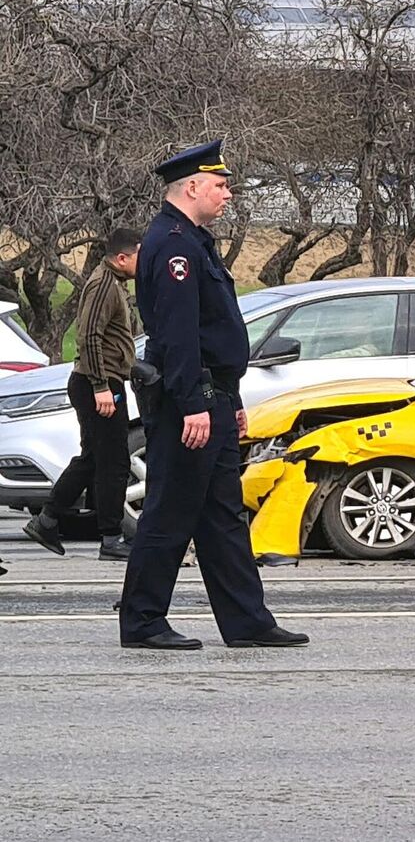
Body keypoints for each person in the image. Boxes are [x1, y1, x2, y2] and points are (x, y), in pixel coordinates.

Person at [118, 141, 308, 651]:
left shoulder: (195, 240)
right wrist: (194, 403)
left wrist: (232, 398)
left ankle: (247, 622)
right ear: (192, 187)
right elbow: (178, 335)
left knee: (223, 516)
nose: (227, 194)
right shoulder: (175, 245)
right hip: (191, 399)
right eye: (220, 185)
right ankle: (142, 621)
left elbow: (214, 333)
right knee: (170, 512)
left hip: (214, 394)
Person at [23, 229, 143, 560]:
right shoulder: (104, 284)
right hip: (96, 382)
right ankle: (110, 537)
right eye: (139, 257)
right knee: (114, 461)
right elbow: (89, 335)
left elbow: (114, 339)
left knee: (94, 456)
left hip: (101, 379)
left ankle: (47, 519)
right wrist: (101, 386)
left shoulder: (115, 283)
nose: (143, 263)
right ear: (122, 258)